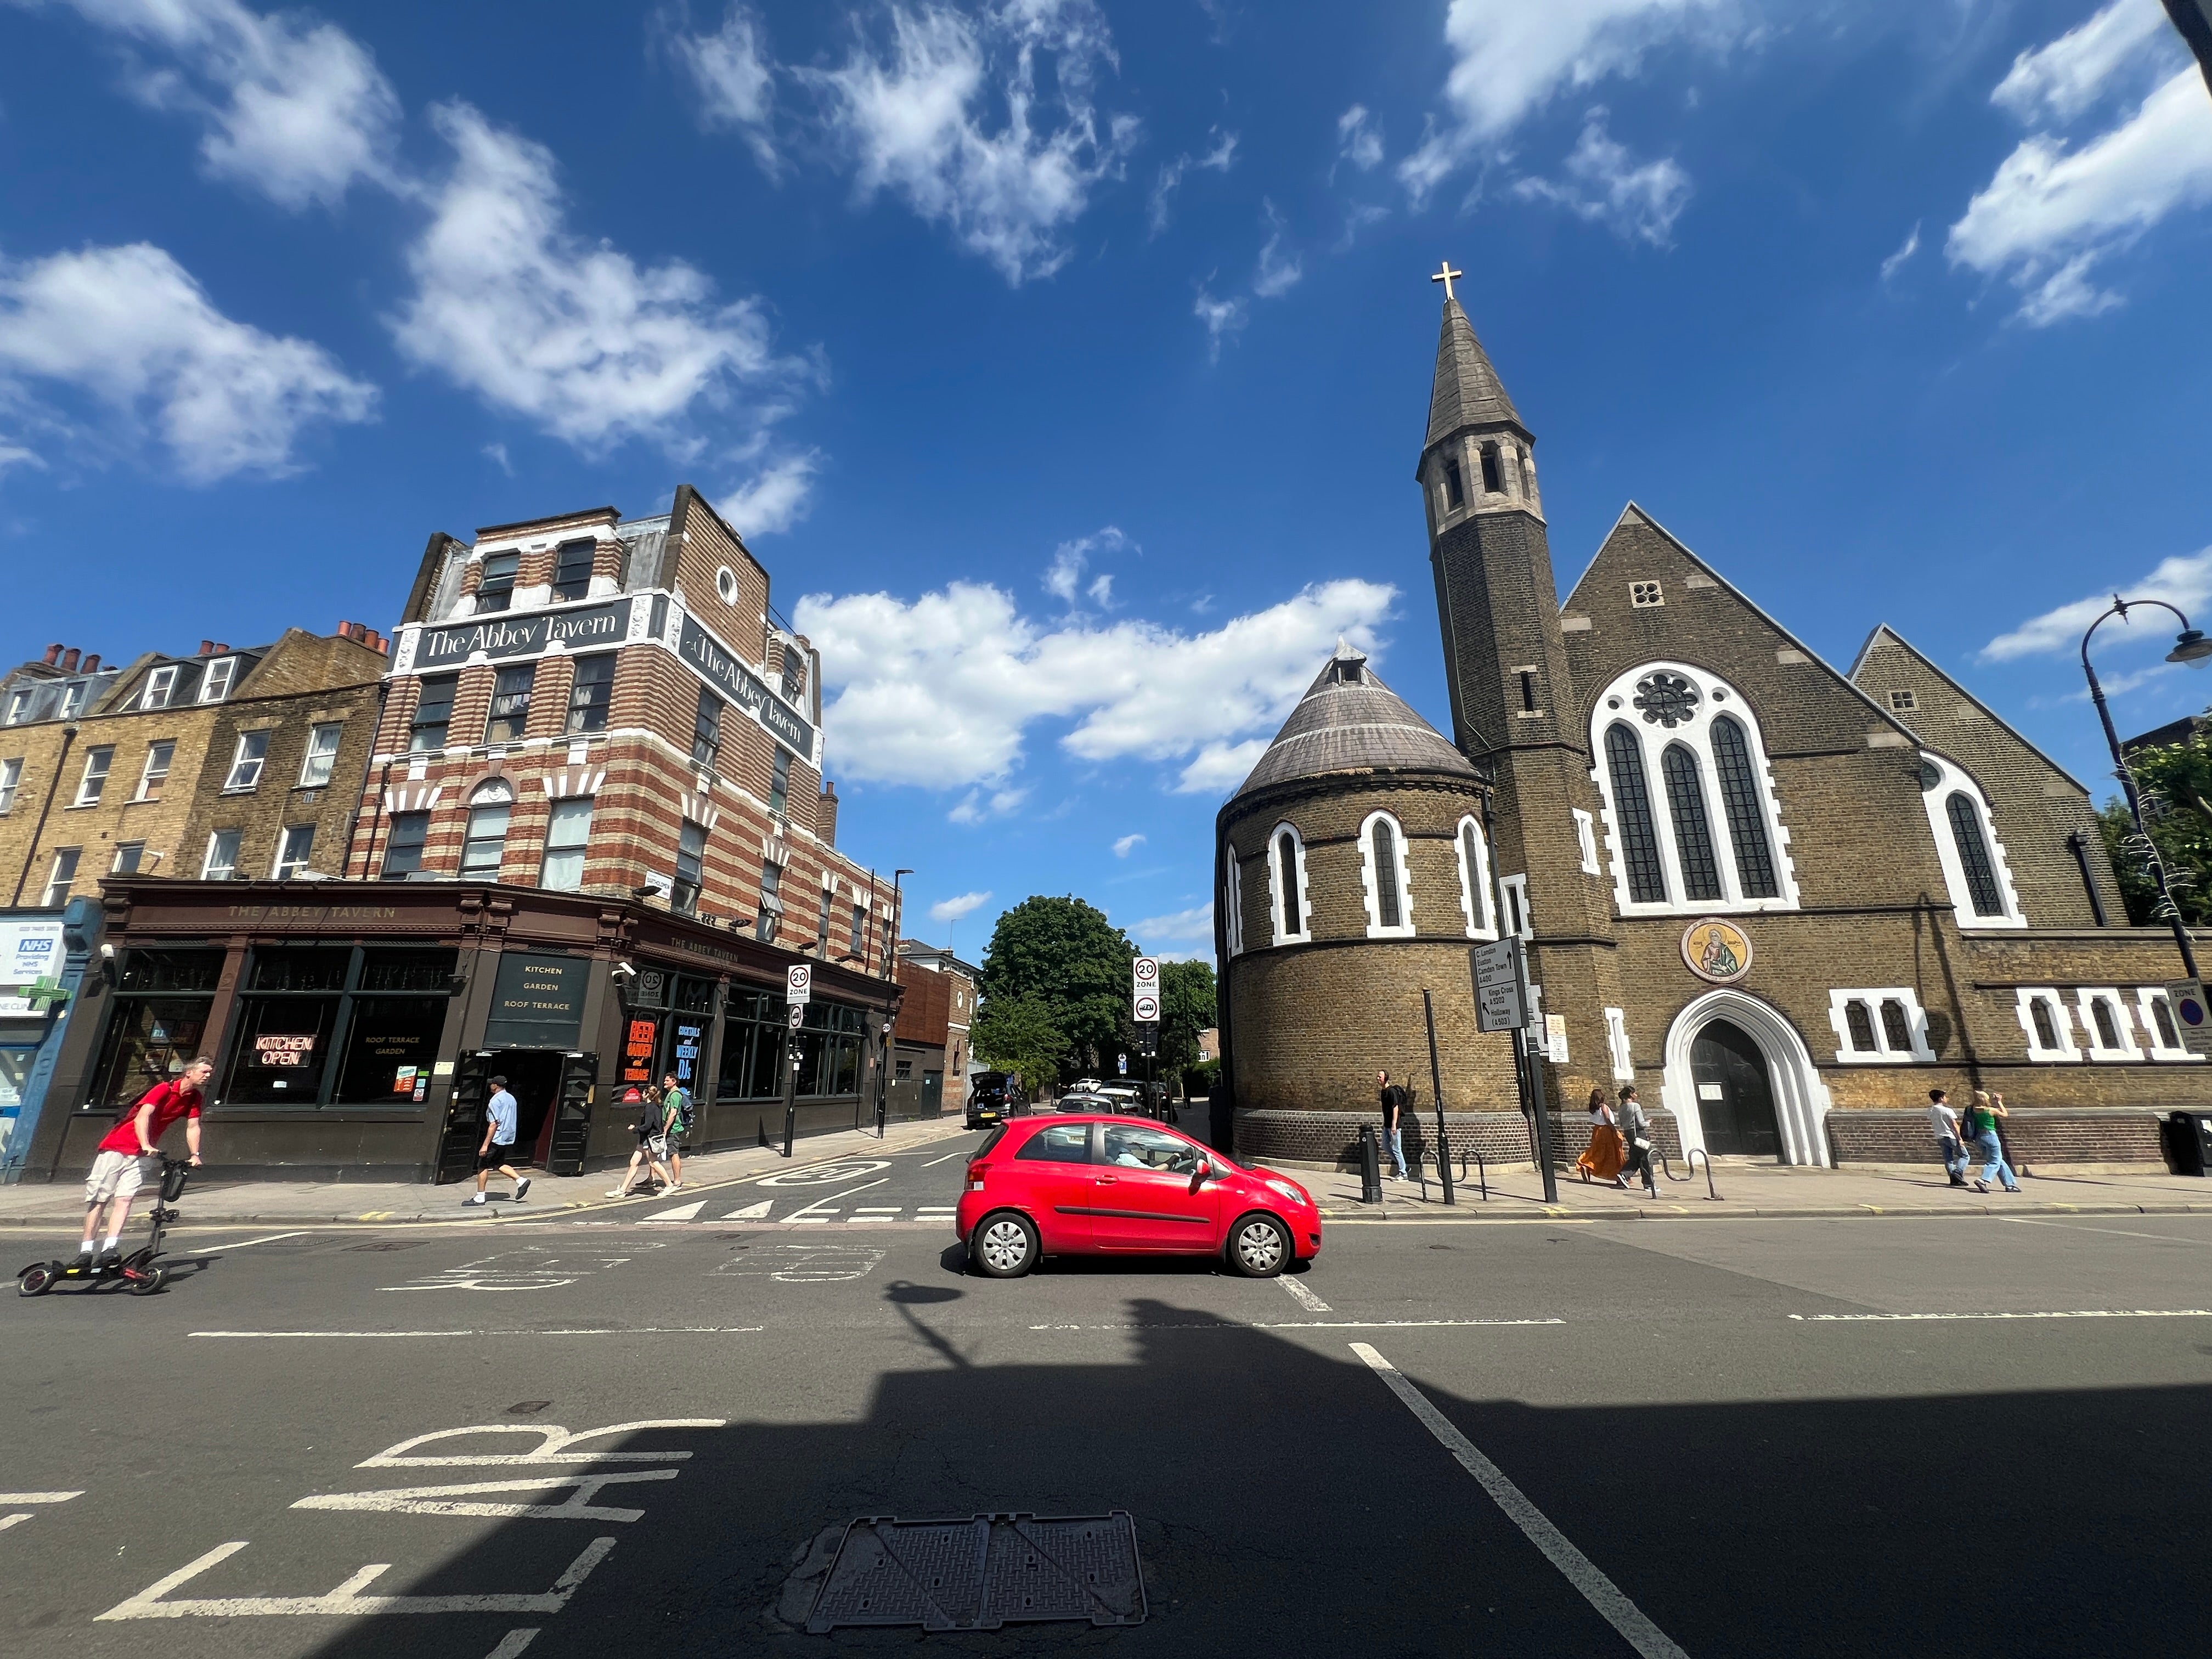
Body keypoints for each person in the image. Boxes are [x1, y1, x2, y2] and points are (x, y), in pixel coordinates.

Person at [82, 1057, 210, 1265]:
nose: (207, 1076)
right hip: (117, 1147)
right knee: (100, 1199)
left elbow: (193, 1126)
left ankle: (110, 1247)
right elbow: (143, 1117)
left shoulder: (194, 1097)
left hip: (142, 1155)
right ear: (189, 1073)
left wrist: (195, 1154)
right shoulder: (163, 1089)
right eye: (204, 1072)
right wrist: (145, 1144)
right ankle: (86, 1251)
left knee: (125, 1199)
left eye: (209, 1073)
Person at [470, 1074, 531, 1206]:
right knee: (498, 1164)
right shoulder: (511, 1098)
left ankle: (480, 1197)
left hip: (496, 1138)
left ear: (496, 1086)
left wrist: (485, 1145)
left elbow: (494, 1124)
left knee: (482, 1166)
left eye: (491, 1084)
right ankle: (521, 1181)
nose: (490, 1086)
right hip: (506, 1138)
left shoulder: (495, 1101)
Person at [607, 1084, 675, 1199]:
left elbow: (648, 1126)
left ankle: (669, 1185)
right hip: (644, 1140)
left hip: (648, 1140)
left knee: (653, 1162)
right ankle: (623, 1190)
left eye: (642, 1093)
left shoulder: (650, 1107)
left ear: (647, 1094)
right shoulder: (657, 1106)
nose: (641, 1095)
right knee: (634, 1162)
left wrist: (634, 1129)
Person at [1964, 1089, 2020, 1193]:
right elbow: (2005, 1114)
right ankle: (1983, 1180)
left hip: (1979, 1137)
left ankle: (2010, 1184)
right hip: (1991, 1136)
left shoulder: (1972, 1109)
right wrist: (1999, 1101)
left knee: (1999, 1160)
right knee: (1994, 1161)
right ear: (1985, 1099)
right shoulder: (1990, 1110)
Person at [1574, 1087, 1626, 1185]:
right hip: (1606, 1131)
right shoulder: (1604, 1107)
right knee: (1611, 1154)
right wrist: (1615, 1130)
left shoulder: (1594, 1109)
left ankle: (1587, 1165)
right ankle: (1617, 1175)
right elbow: (1607, 1119)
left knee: (1597, 1151)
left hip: (1597, 1130)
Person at [1618, 1085, 1659, 1198]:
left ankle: (1624, 1174)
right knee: (1646, 1158)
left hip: (1629, 1133)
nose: (1637, 1095)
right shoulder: (1635, 1106)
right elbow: (1641, 1123)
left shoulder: (1621, 1108)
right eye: (1635, 1093)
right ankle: (1649, 1184)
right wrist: (1649, 1123)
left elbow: (1622, 1123)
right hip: (1639, 1134)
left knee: (1636, 1156)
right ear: (1631, 1095)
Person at [1927, 1087, 1970, 1188]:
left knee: (1948, 1159)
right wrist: (1960, 1138)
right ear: (1941, 1099)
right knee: (1965, 1156)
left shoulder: (1931, 1110)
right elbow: (1955, 1125)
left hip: (1940, 1136)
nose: (1946, 1098)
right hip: (1950, 1136)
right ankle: (1958, 1172)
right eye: (1945, 1097)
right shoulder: (1947, 1110)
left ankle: (1954, 1179)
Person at [1376, 1070, 1410, 1181]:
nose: (1378, 1078)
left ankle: (1403, 1173)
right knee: (1386, 1146)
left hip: (1394, 1125)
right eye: (1378, 1077)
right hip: (1387, 1125)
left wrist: (1394, 1124)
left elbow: (1395, 1107)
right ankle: (1403, 1166)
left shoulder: (1392, 1091)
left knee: (1396, 1148)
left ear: (1386, 1078)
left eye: (1380, 1077)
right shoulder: (1383, 1091)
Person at [660, 1071, 691, 1191]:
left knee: (674, 1153)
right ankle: (650, 1179)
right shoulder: (672, 1093)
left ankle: (677, 1181)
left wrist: (666, 1129)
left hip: (673, 1129)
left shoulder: (675, 1095)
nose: (665, 1082)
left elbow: (673, 1113)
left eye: (667, 1080)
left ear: (674, 1082)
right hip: (670, 1129)